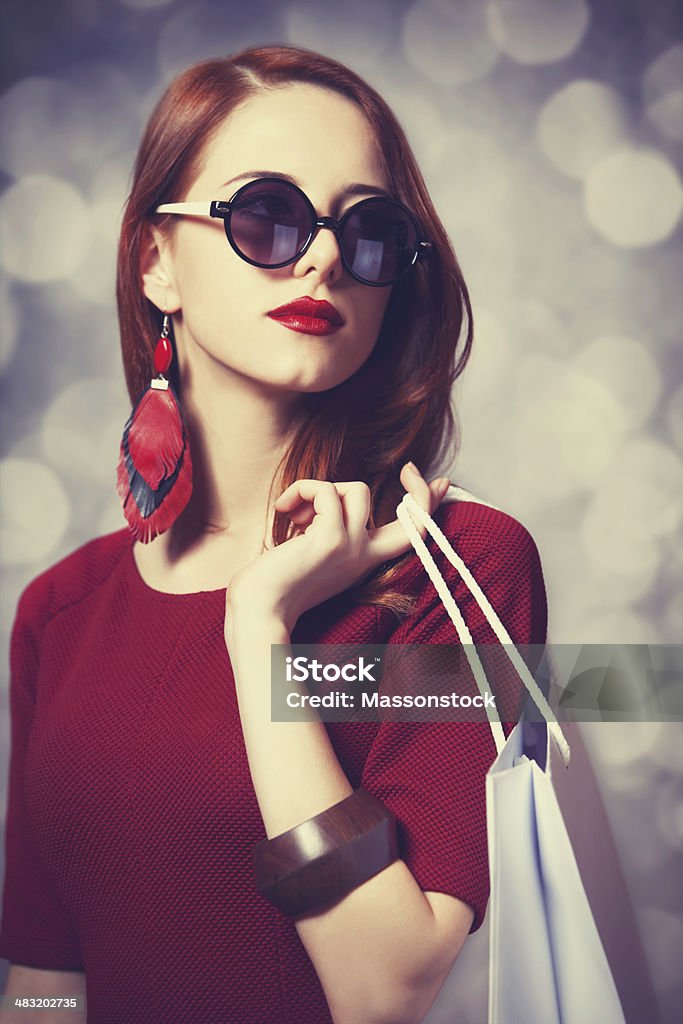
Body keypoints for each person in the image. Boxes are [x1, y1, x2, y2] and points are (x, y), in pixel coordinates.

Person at [0, 44, 547, 1024]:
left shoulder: (460, 567)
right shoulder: (60, 612)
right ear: (155, 260)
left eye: (369, 229)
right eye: (266, 213)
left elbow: (384, 985)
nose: (324, 255)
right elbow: (45, 982)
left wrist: (261, 631)